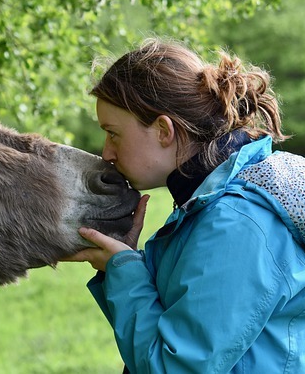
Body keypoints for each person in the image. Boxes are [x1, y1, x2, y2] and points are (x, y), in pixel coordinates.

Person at [67, 38, 305, 373]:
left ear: (164, 130)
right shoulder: (207, 204)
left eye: (113, 133)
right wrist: (120, 264)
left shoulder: (236, 222)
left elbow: (174, 366)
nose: (107, 152)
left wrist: (125, 272)